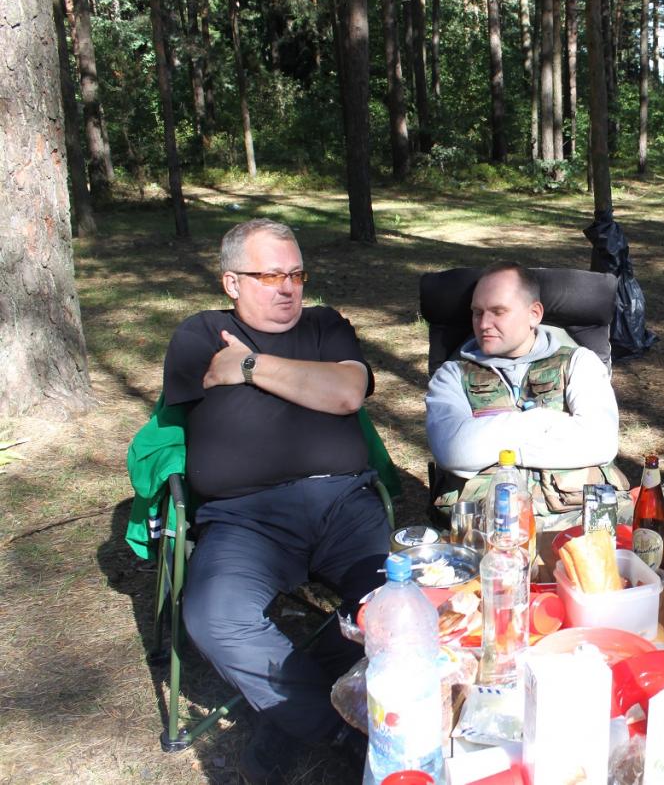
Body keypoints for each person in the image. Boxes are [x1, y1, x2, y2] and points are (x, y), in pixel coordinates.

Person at [161, 219, 387, 783]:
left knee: (394, 608)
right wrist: (303, 383)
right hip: (243, 518)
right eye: (269, 276)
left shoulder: (326, 325)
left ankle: (291, 706)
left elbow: (346, 393)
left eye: (296, 274)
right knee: (215, 616)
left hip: (341, 503)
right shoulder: (201, 333)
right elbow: (320, 390)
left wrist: (249, 367)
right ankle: (338, 730)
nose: (287, 288)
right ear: (231, 282)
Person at [425, 262, 626, 530]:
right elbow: (455, 451)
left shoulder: (580, 362)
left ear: (534, 314)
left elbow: (600, 443)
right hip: (486, 533)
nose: (483, 324)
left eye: (498, 312)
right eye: (477, 312)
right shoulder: (451, 374)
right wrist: (542, 421)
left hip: (577, 527)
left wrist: (493, 445)